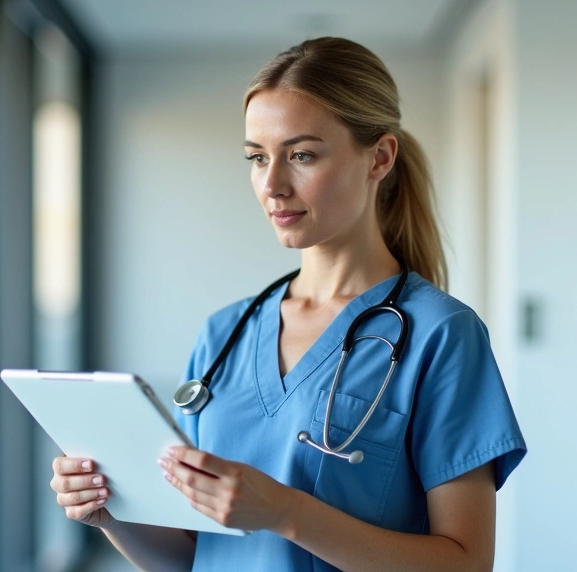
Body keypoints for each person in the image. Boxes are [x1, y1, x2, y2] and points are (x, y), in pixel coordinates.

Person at [49, 37, 526, 572]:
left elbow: (467, 563)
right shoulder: (224, 333)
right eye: (257, 158)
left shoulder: (440, 334)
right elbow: (196, 557)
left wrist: (285, 512)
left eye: (301, 155)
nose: (272, 185)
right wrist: (113, 515)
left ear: (380, 158)